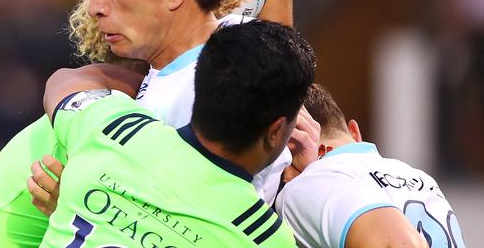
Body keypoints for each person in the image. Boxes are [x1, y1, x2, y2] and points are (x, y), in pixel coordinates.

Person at [29, 0, 314, 219]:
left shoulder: (203, 92)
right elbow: (276, 52)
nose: (94, 6)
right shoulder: (232, 45)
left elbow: (177, 228)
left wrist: (76, 206)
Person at [40, 20, 314, 247]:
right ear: (276, 131)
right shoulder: (261, 236)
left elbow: (62, 81)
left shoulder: (115, 129)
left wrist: (80, 179)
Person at [275, 84, 467, 248]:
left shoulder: (312, 182)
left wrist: (306, 180)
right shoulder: (420, 178)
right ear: (354, 132)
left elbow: (397, 243)